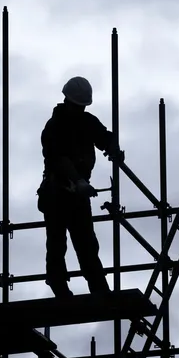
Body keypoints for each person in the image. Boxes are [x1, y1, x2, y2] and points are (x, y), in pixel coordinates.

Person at [37, 76, 124, 299]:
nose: (80, 110)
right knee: (57, 244)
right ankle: (60, 288)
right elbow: (59, 159)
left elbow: (104, 136)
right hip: (57, 192)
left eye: (83, 106)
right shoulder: (54, 126)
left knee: (86, 243)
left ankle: (98, 288)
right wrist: (78, 180)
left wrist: (113, 147)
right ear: (67, 100)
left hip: (77, 194)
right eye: (78, 106)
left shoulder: (86, 121)